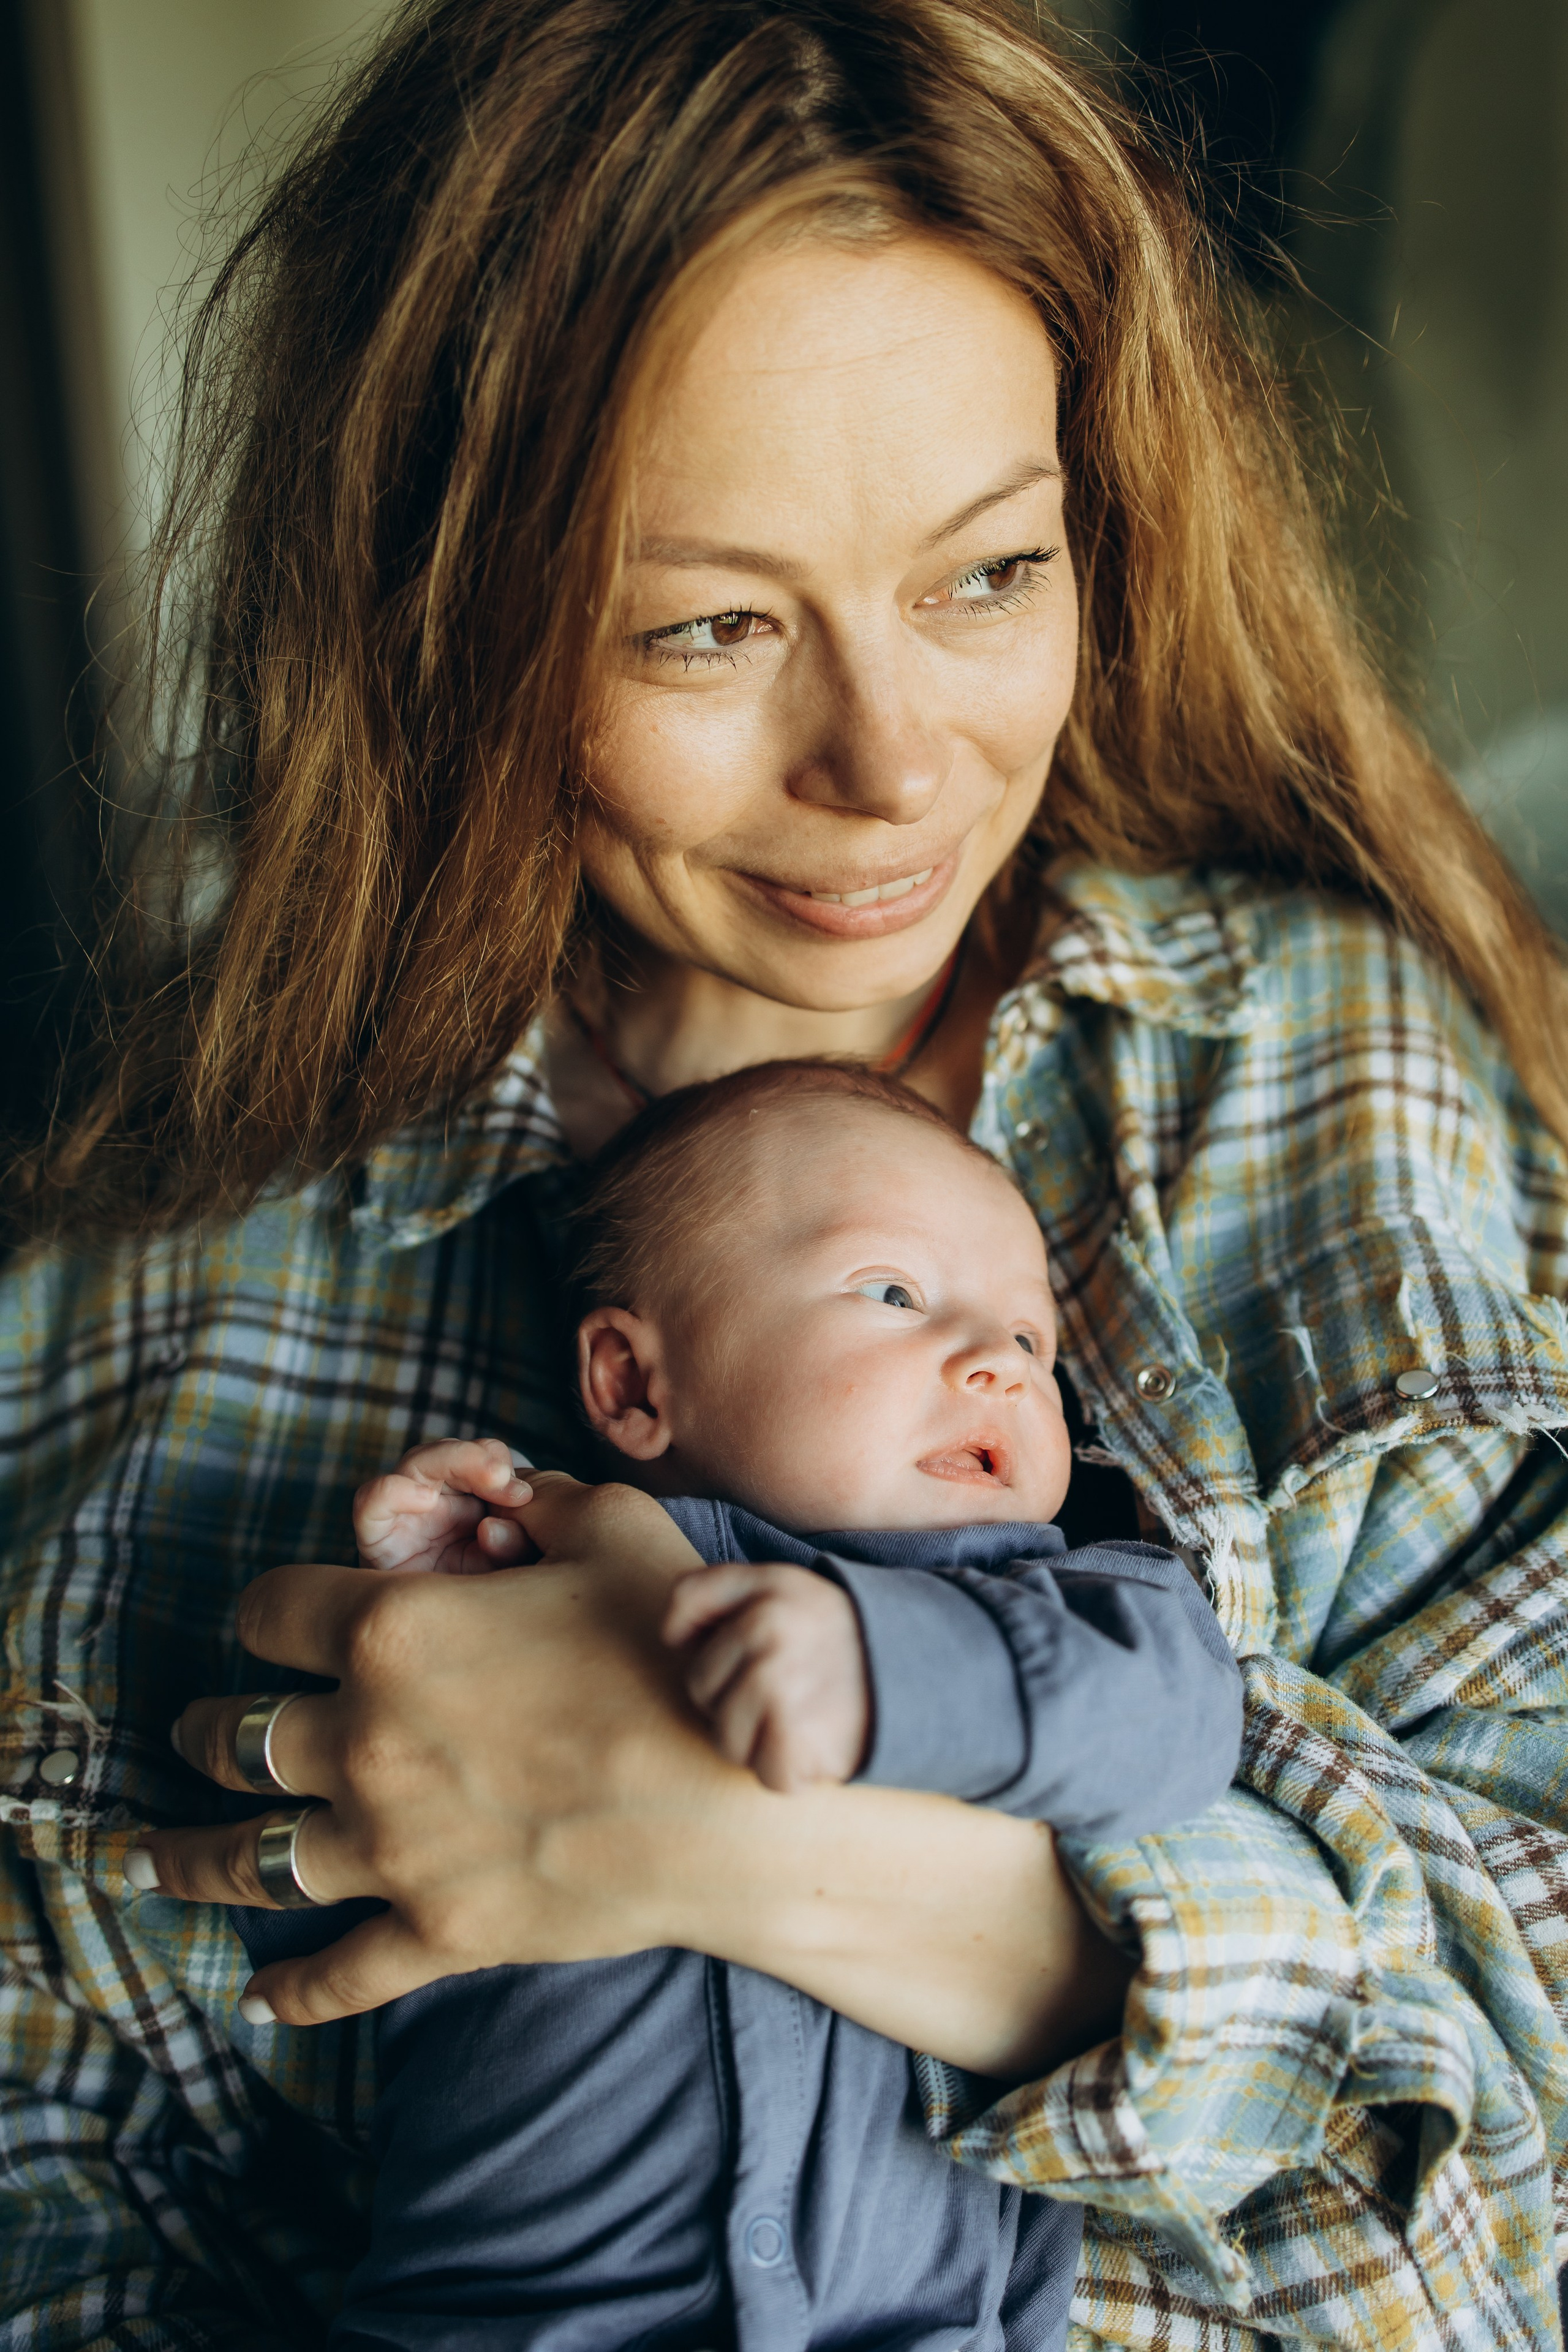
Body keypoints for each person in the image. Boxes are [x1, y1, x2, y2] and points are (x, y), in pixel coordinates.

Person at [1, 0, 1565, 2347]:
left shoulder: (1311, 1075)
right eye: (709, 626)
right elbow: (56, 2183)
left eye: (986, 576)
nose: (892, 765)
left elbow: (1520, 2180)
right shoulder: (196, 1220)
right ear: (444, 616)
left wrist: (726, 1837)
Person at [277, 1060, 1242, 2348]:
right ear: (633, 1386)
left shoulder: (1071, 1600)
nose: (998, 1369)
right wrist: (449, 1603)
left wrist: (885, 1669)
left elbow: (1177, 1726)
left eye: (1030, 1341)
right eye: (894, 1294)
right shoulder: (545, 1583)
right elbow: (390, 1804)